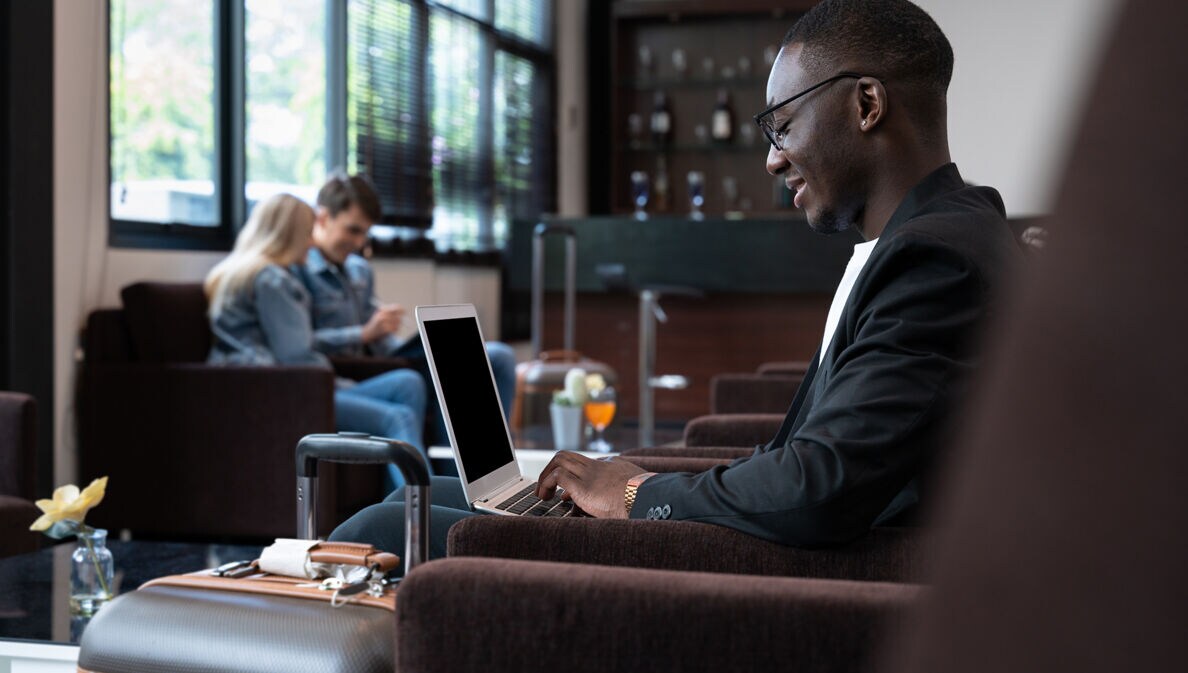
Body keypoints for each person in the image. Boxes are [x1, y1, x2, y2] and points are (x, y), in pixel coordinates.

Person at [330, 0, 1020, 559]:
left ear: (867, 104)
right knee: (411, 498)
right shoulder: (930, 238)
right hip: (769, 543)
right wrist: (643, 482)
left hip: (762, 575)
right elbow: (814, 458)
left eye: (782, 126)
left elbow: (819, 488)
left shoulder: (934, 260)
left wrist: (637, 497)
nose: (773, 160)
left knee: (384, 526)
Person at [205, 193, 428, 488]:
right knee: (397, 417)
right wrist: (340, 382)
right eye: (308, 233)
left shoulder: (237, 273)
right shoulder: (273, 280)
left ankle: (399, 503)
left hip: (280, 384)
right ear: (290, 235)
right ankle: (423, 507)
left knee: (407, 383)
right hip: (293, 390)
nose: (312, 243)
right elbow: (297, 355)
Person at [291, 172, 518, 453]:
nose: (360, 243)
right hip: (354, 374)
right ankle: (451, 471)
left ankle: (496, 461)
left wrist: (389, 332)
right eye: (353, 230)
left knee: (499, 356)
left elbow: (378, 339)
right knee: (450, 367)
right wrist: (363, 333)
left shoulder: (359, 270)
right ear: (323, 218)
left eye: (365, 233)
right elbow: (300, 344)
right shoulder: (298, 271)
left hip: (386, 359)